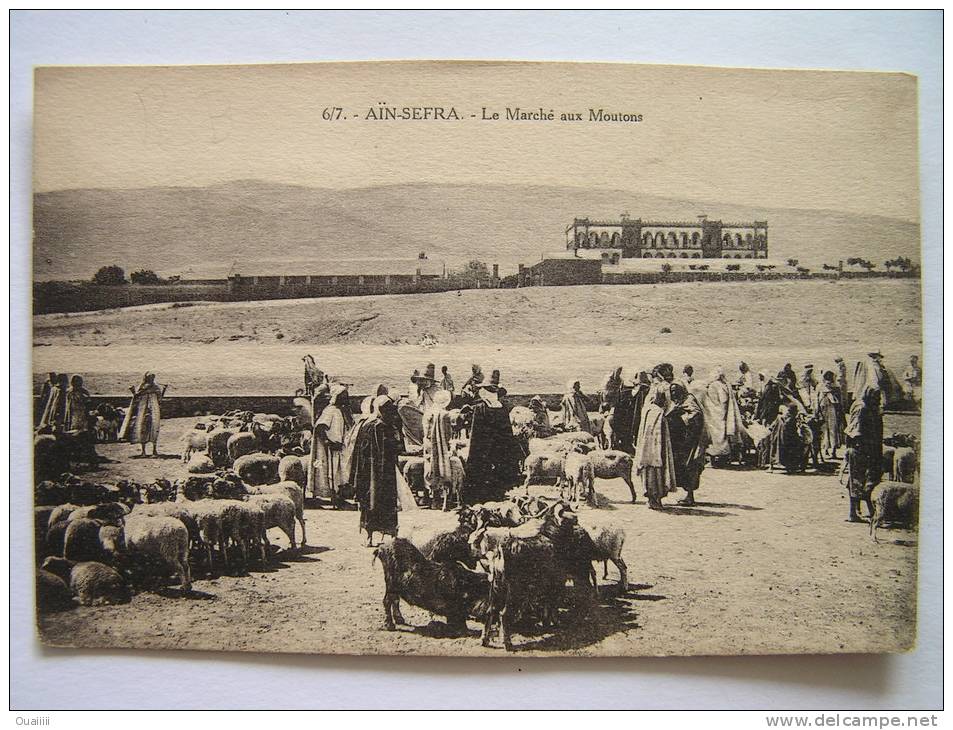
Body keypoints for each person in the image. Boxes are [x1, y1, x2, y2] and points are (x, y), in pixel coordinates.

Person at [348, 395, 403, 546]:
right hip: (381, 472)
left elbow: (360, 451)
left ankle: (371, 537)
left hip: (372, 472)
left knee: (372, 502)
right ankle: (386, 535)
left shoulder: (368, 425)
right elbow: (395, 448)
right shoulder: (384, 426)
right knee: (382, 501)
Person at [464, 370, 521, 504]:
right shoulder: (503, 408)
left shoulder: (480, 408)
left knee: (481, 471)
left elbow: (475, 436)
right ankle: (497, 493)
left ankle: (480, 496)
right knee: (498, 472)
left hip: (484, 450)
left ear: (484, 390)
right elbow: (508, 434)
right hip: (500, 450)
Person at [634, 388, 677, 510]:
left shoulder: (647, 409)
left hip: (647, 449)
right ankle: (655, 500)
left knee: (649, 474)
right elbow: (656, 432)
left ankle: (652, 499)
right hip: (656, 449)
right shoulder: (657, 412)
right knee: (656, 475)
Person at [844, 386, 883, 522]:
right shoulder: (863, 409)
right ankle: (854, 513)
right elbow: (855, 433)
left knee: (860, 481)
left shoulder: (869, 408)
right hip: (860, 450)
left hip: (864, 450)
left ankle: (860, 511)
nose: (878, 401)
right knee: (858, 482)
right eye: (876, 398)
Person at [310, 383, 354, 504]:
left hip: (340, 447)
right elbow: (320, 428)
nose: (346, 398)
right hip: (332, 448)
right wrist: (328, 442)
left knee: (341, 472)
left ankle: (339, 495)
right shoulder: (330, 411)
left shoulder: (341, 410)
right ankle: (334, 496)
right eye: (343, 396)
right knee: (332, 472)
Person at [667, 383, 707, 506]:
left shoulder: (688, 400)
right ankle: (688, 495)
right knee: (684, 467)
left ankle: (690, 496)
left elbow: (696, 415)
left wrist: (683, 419)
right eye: (671, 391)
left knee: (690, 466)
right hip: (684, 442)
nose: (673, 393)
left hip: (691, 442)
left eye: (675, 390)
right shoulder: (682, 401)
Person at [702, 367, 747, 465]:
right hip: (724, 412)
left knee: (716, 435)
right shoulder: (726, 385)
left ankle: (718, 457)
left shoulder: (715, 385)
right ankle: (725, 456)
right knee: (724, 435)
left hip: (716, 414)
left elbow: (720, 400)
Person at [119, 372, 167, 457]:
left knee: (154, 429)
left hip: (154, 410)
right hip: (143, 410)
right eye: (150, 378)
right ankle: (143, 451)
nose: (151, 380)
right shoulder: (142, 387)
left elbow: (159, 399)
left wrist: (162, 391)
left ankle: (154, 450)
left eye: (152, 378)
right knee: (142, 429)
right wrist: (134, 391)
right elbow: (136, 397)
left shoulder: (155, 387)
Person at [423, 389, 454, 509]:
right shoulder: (445, 415)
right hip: (441, 447)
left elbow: (425, 432)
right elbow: (448, 435)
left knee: (431, 468)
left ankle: (434, 500)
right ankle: (447, 499)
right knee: (444, 468)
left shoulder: (428, 413)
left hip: (428, 445)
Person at [814, 370, 846, 460]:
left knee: (831, 431)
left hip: (831, 412)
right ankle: (828, 451)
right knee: (826, 431)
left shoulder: (835, 388)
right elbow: (816, 400)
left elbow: (839, 402)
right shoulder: (821, 387)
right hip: (825, 411)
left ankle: (831, 451)